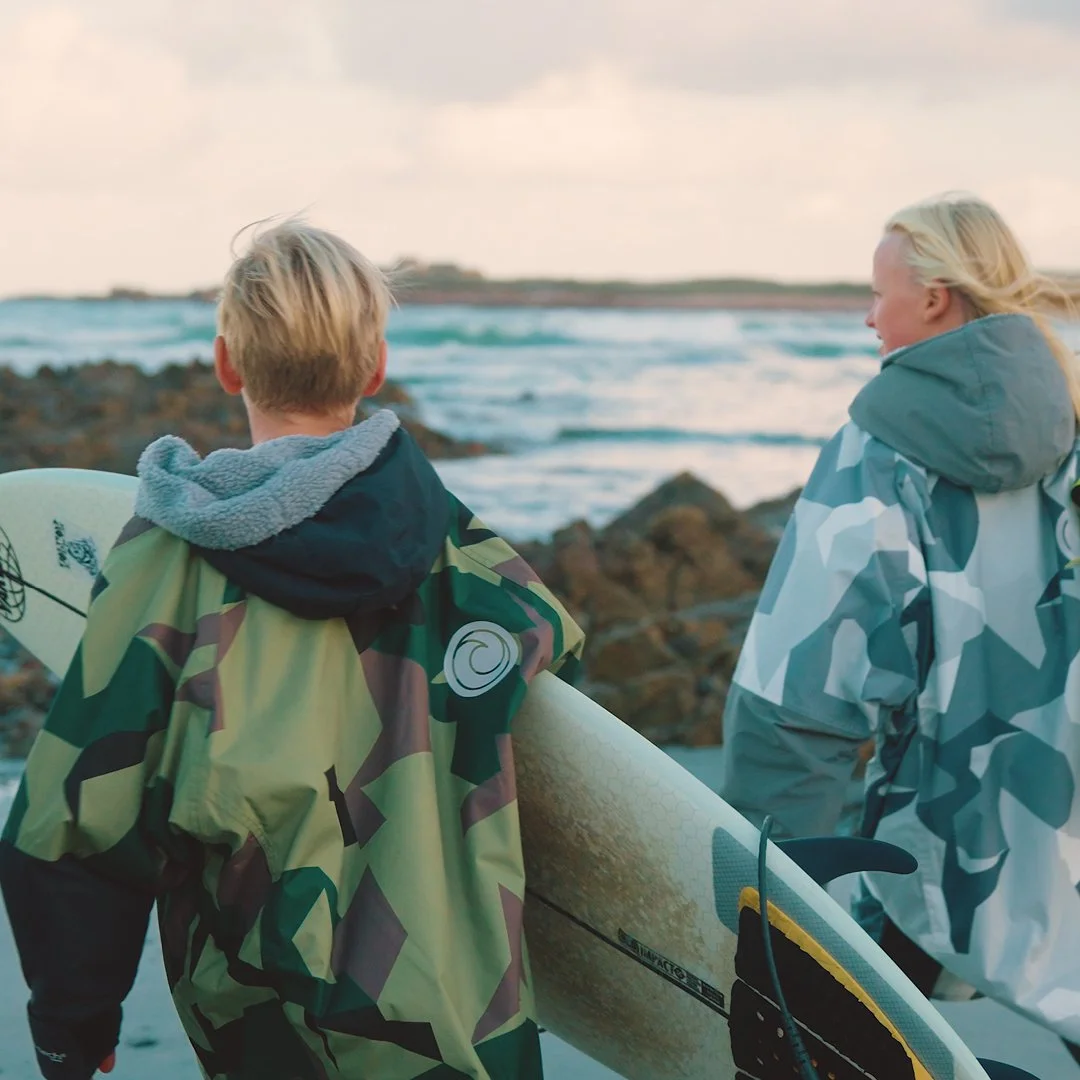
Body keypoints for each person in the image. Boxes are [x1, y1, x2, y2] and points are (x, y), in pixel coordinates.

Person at [0, 221, 585, 1080]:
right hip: (473, 1021)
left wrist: (72, 1025)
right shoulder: (470, 556)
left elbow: (79, 819)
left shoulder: (166, 567)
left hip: (274, 1026)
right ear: (375, 366)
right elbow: (559, 678)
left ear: (227, 363)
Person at [719, 192, 1080, 1057]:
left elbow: (804, 682)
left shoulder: (880, 445)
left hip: (948, 825)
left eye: (879, 294)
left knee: (831, 1033)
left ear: (934, 300)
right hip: (1064, 811)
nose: (867, 316)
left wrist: (763, 887)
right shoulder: (1070, 419)